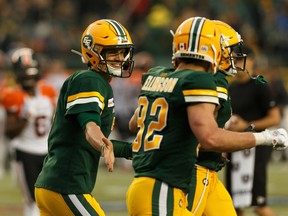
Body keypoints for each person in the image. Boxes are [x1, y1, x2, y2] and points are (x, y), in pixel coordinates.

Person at [127, 16, 288, 216]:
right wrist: (264, 137)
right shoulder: (201, 80)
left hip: (159, 181)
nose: (232, 57)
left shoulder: (158, 73)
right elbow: (210, 138)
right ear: (212, 48)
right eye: (228, 50)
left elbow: (135, 124)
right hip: (172, 181)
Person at [34, 19, 135, 215]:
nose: (120, 57)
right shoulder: (89, 79)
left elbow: (86, 140)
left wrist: (133, 150)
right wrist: (104, 145)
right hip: (66, 186)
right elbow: (90, 128)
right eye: (113, 51)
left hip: (54, 185)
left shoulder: (97, 83)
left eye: (123, 51)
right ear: (93, 51)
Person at [187, 20, 246, 216]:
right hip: (196, 169)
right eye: (230, 50)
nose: (234, 56)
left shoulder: (201, 76)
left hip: (208, 172)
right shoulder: (215, 79)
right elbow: (205, 137)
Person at [225, 45, 281, 216]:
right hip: (236, 146)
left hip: (256, 147)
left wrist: (247, 125)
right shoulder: (231, 88)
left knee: (259, 204)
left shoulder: (260, 85)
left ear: (251, 60)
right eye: (233, 59)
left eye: (240, 59)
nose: (236, 63)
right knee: (234, 204)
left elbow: (275, 118)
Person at [1, 47, 56, 216]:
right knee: (32, 200)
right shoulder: (12, 95)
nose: (29, 77)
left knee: (51, 197)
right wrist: (24, 116)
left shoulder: (48, 92)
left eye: (31, 73)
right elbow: (9, 132)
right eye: (25, 73)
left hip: (47, 150)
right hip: (25, 151)